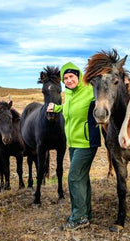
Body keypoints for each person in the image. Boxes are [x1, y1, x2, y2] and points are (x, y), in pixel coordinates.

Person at [47, 62, 101, 231]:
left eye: (71, 77)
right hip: (73, 143)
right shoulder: (69, 94)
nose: (69, 80)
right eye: (66, 78)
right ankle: (85, 214)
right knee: (82, 178)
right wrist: (57, 108)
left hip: (86, 142)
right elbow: (69, 108)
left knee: (74, 177)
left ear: (78, 76)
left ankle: (78, 218)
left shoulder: (90, 91)